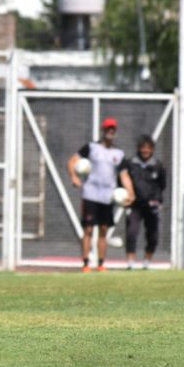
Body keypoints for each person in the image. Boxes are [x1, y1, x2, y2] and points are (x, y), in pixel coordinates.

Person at [67, 117, 134, 273]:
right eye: (108, 128)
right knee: (88, 230)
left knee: (104, 230)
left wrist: (131, 193)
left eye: (113, 129)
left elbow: (124, 175)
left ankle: (101, 263)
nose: (110, 131)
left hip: (108, 196)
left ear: (115, 131)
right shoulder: (91, 147)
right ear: (103, 130)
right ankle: (86, 264)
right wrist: (74, 177)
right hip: (91, 195)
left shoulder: (119, 153)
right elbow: (72, 161)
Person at [121, 135, 166, 270]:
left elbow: (162, 185)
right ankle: (131, 263)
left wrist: (157, 200)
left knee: (153, 235)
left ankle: (147, 262)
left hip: (151, 205)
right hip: (134, 205)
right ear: (138, 148)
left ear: (152, 149)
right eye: (143, 147)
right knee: (131, 232)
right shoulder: (130, 163)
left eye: (148, 148)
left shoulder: (158, 165)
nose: (145, 150)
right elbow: (122, 180)